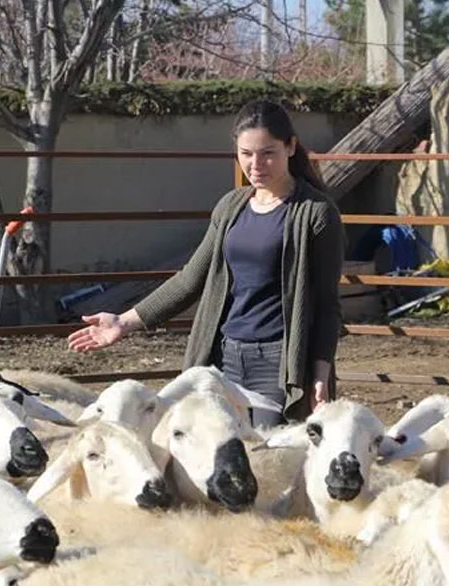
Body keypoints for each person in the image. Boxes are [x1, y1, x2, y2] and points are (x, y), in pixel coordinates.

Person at [67, 100, 345, 426]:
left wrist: (319, 375)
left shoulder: (316, 213)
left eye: (268, 153)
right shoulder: (230, 207)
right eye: (246, 153)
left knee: (268, 451)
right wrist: (123, 322)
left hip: (278, 362)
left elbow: (326, 304)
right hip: (223, 358)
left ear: (291, 147)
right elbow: (190, 279)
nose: (256, 165)